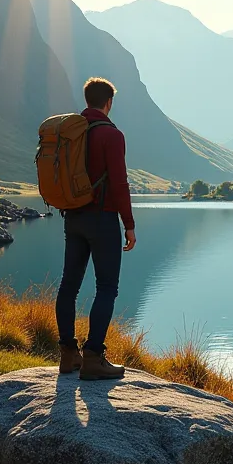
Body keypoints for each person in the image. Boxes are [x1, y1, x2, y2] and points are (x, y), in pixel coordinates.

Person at [56, 77, 136, 380]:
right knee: (106, 287)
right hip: (102, 218)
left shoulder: (71, 131)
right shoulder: (111, 135)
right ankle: (92, 358)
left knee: (69, 285)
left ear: (87, 99)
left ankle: (67, 355)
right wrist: (128, 225)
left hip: (73, 217)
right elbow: (119, 183)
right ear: (109, 103)